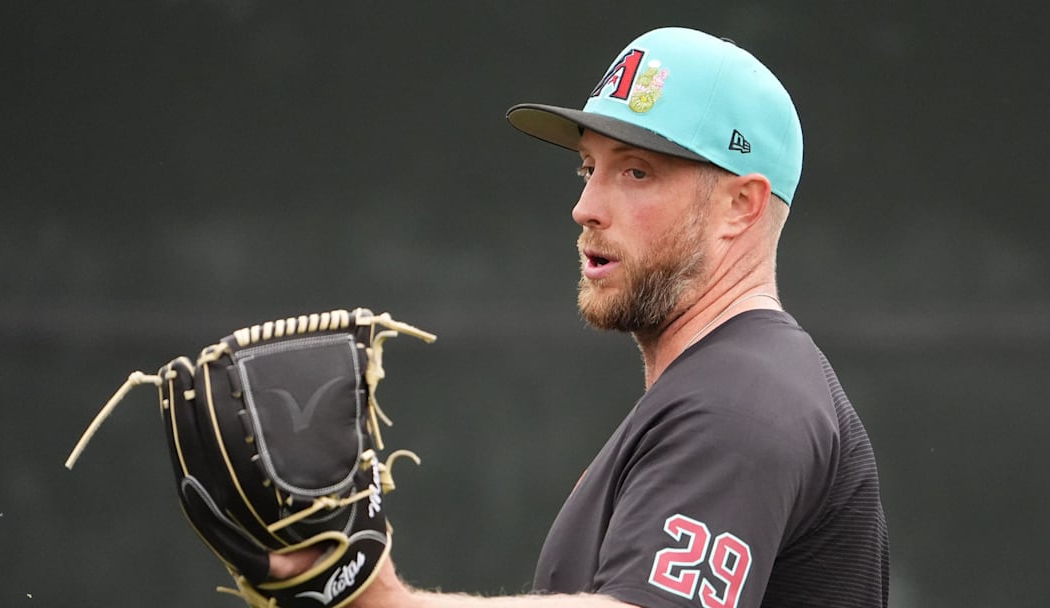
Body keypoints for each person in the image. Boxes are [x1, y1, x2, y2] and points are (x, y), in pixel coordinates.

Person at [274, 26, 889, 608]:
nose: (585, 207)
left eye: (636, 170)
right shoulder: (728, 389)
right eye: (588, 168)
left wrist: (382, 601)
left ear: (740, 205)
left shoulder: (741, 405)